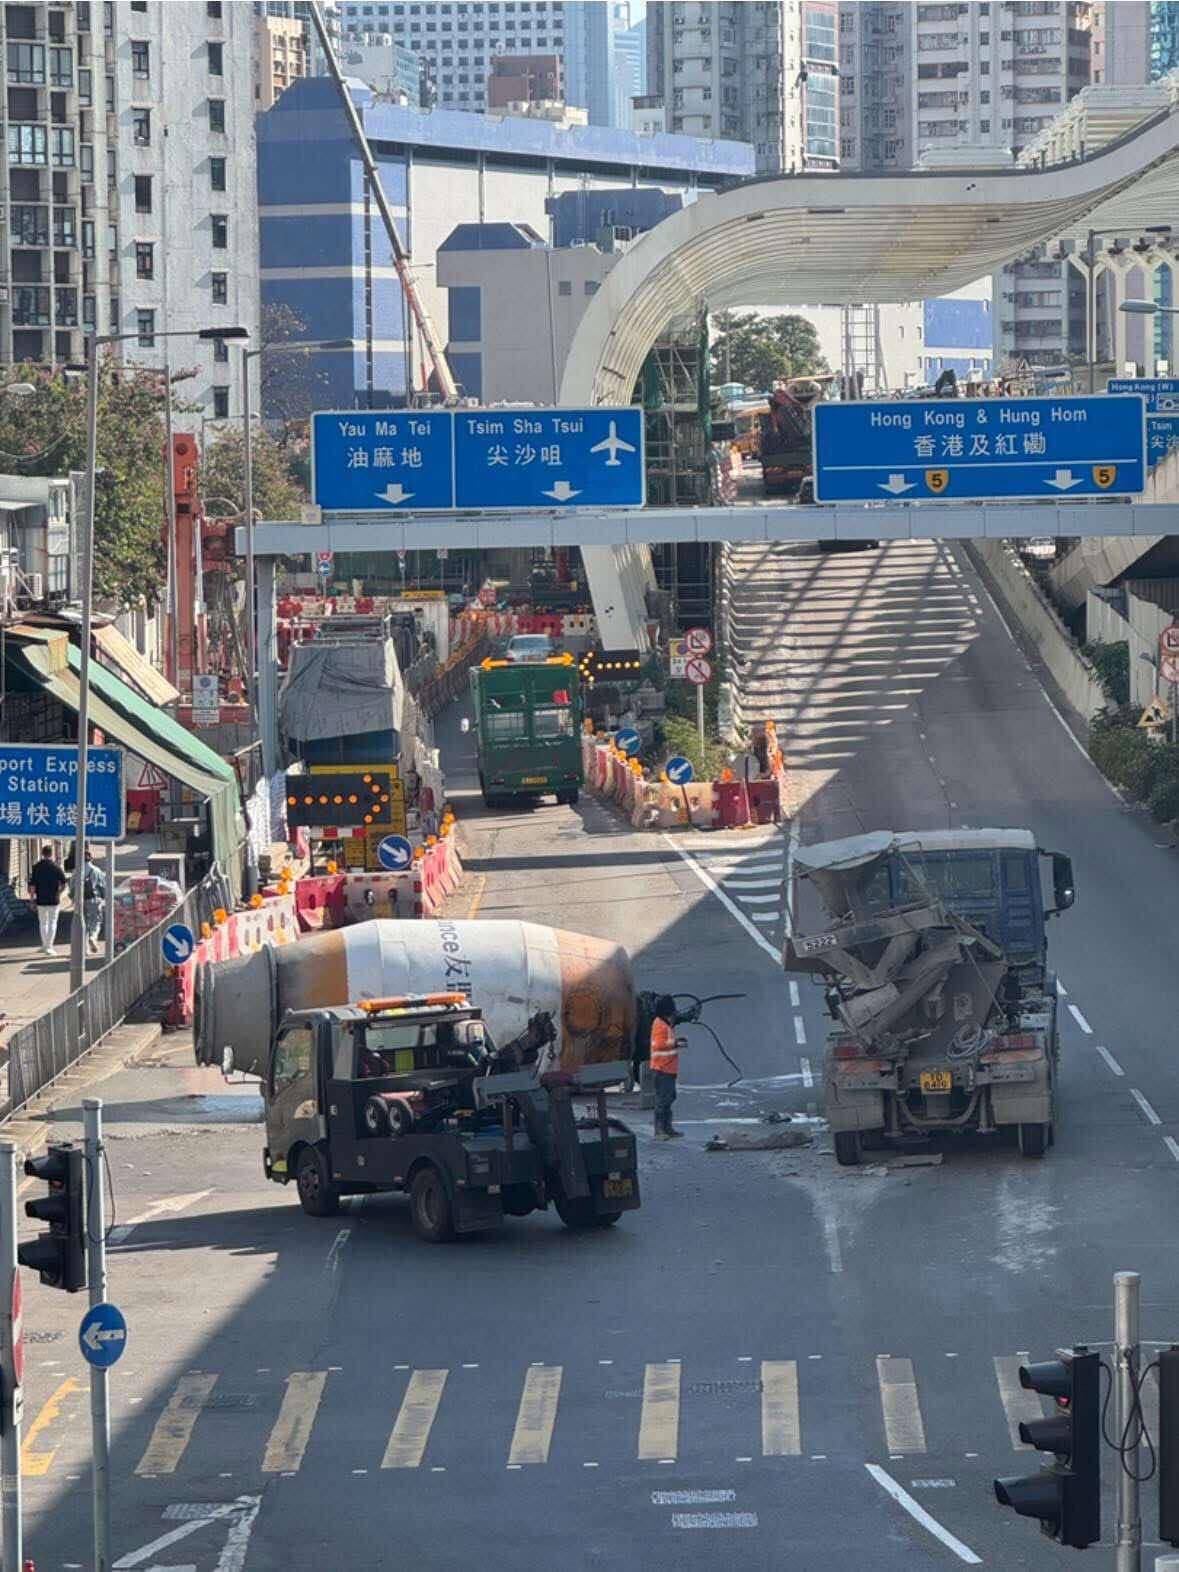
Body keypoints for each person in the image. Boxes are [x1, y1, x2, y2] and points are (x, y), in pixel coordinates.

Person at [650, 994, 686, 1140]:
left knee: (669, 1098)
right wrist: (676, 1043)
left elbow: (665, 1042)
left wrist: (676, 1041)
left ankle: (667, 1128)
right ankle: (660, 1130)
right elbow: (659, 1044)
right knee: (663, 1100)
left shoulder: (665, 1024)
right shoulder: (660, 1024)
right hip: (662, 1068)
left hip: (668, 1069)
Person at [28, 845, 67, 956]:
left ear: (42, 853)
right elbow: (64, 884)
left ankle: (44, 945)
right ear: (52, 853)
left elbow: (32, 886)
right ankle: (49, 947)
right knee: (52, 922)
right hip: (54, 900)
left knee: (43, 922)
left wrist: (31, 900)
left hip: (41, 899)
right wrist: (58, 893)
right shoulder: (56, 867)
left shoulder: (36, 867)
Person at [81, 847, 107, 956]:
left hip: (81, 900)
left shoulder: (77, 870)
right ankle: (93, 937)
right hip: (94, 899)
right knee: (96, 922)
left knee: (83, 924)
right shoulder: (97, 870)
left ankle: (85, 949)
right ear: (91, 858)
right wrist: (104, 898)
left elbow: (72, 887)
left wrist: (74, 899)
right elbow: (103, 886)